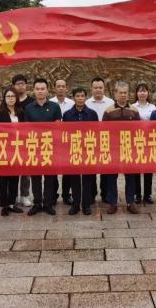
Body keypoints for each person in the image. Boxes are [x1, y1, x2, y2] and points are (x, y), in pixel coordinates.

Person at [25, 78, 62, 216]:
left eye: (42, 89)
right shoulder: (28, 108)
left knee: (49, 177)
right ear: (34, 91)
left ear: (47, 90)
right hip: (34, 146)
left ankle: (48, 203)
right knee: (35, 176)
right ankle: (37, 203)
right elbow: (27, 129)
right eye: (37, 89)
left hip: (50, 146)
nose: (40, 91)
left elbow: (58, 126)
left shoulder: (54, 106)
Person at [102, 81, 140, 215]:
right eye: (120, 92)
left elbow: (138, 131)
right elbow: (104, 131)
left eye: (125, 92)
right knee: (111, 177)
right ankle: (112, 202)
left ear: (128, 93)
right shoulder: (108, 111)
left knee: (131, 177)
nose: (123, 95)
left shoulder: (134, 111)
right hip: (113, 149)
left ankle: (130, 202)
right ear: (115, 93)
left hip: (129, 149)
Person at [62, 87, 99, 215]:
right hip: (74, 150)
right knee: (74, 179)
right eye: (77, 96)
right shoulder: (67, 115)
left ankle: (86, 204)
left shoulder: (92, 114)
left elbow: (96, 132)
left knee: (88, 179)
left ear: (86, 98)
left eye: (82, 96)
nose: (80, 98)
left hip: (88, 150)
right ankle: (76, 204)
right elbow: (64, 134)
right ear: (73, 98)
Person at [0, 87, 24, 216]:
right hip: (3, 150)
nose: (10, 98)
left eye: (13, 96)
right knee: (2, 179)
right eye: (8, 96)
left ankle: (12, 203)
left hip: (17, 149)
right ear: (4, 99)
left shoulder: (21, 112)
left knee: (14, 178)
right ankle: (4, 205)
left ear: (16, 98)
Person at [85, 77, 115, 203]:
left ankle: (105, 194)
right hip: (91, 140)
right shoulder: (86, 103)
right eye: (95, 88)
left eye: (100, 88)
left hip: (106, 140)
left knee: (106, 169)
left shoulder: (110, 102)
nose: (98, 90)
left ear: (104, 88)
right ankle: (91, 194)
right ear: (91, 88)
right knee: (91, 168)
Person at [50, 79, 75, 205]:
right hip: (52, 141)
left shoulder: (72, 103)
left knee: (68, 169)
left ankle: (66, 194)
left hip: (68, 141)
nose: (60, 88)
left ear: (67, 88)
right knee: (53, 169)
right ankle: (53, 194)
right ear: (54, 88)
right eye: (58, 86)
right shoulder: (50, 103)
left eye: (63, 86)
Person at [12, 74, 34, 208]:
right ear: (14, 86)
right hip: (13, 140)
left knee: (26, 169)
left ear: (26, 85)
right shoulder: (12, 100)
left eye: (22, 83)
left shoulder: (31, 102)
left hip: (27, 139)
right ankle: (13, 195)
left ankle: (25, 195)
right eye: (17, 83)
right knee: (13, 169)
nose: (20, 86)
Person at [132, 82, 156, 204]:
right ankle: (137, 194)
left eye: (144, 91)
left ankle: (148, 194)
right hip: (136, 140)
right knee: (136, 168)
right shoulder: (132, 107)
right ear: (136, 93)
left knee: (148, 169)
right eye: (140, 91)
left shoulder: (153, 107)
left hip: (150, 141)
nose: (142, 93)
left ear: (148, 93)